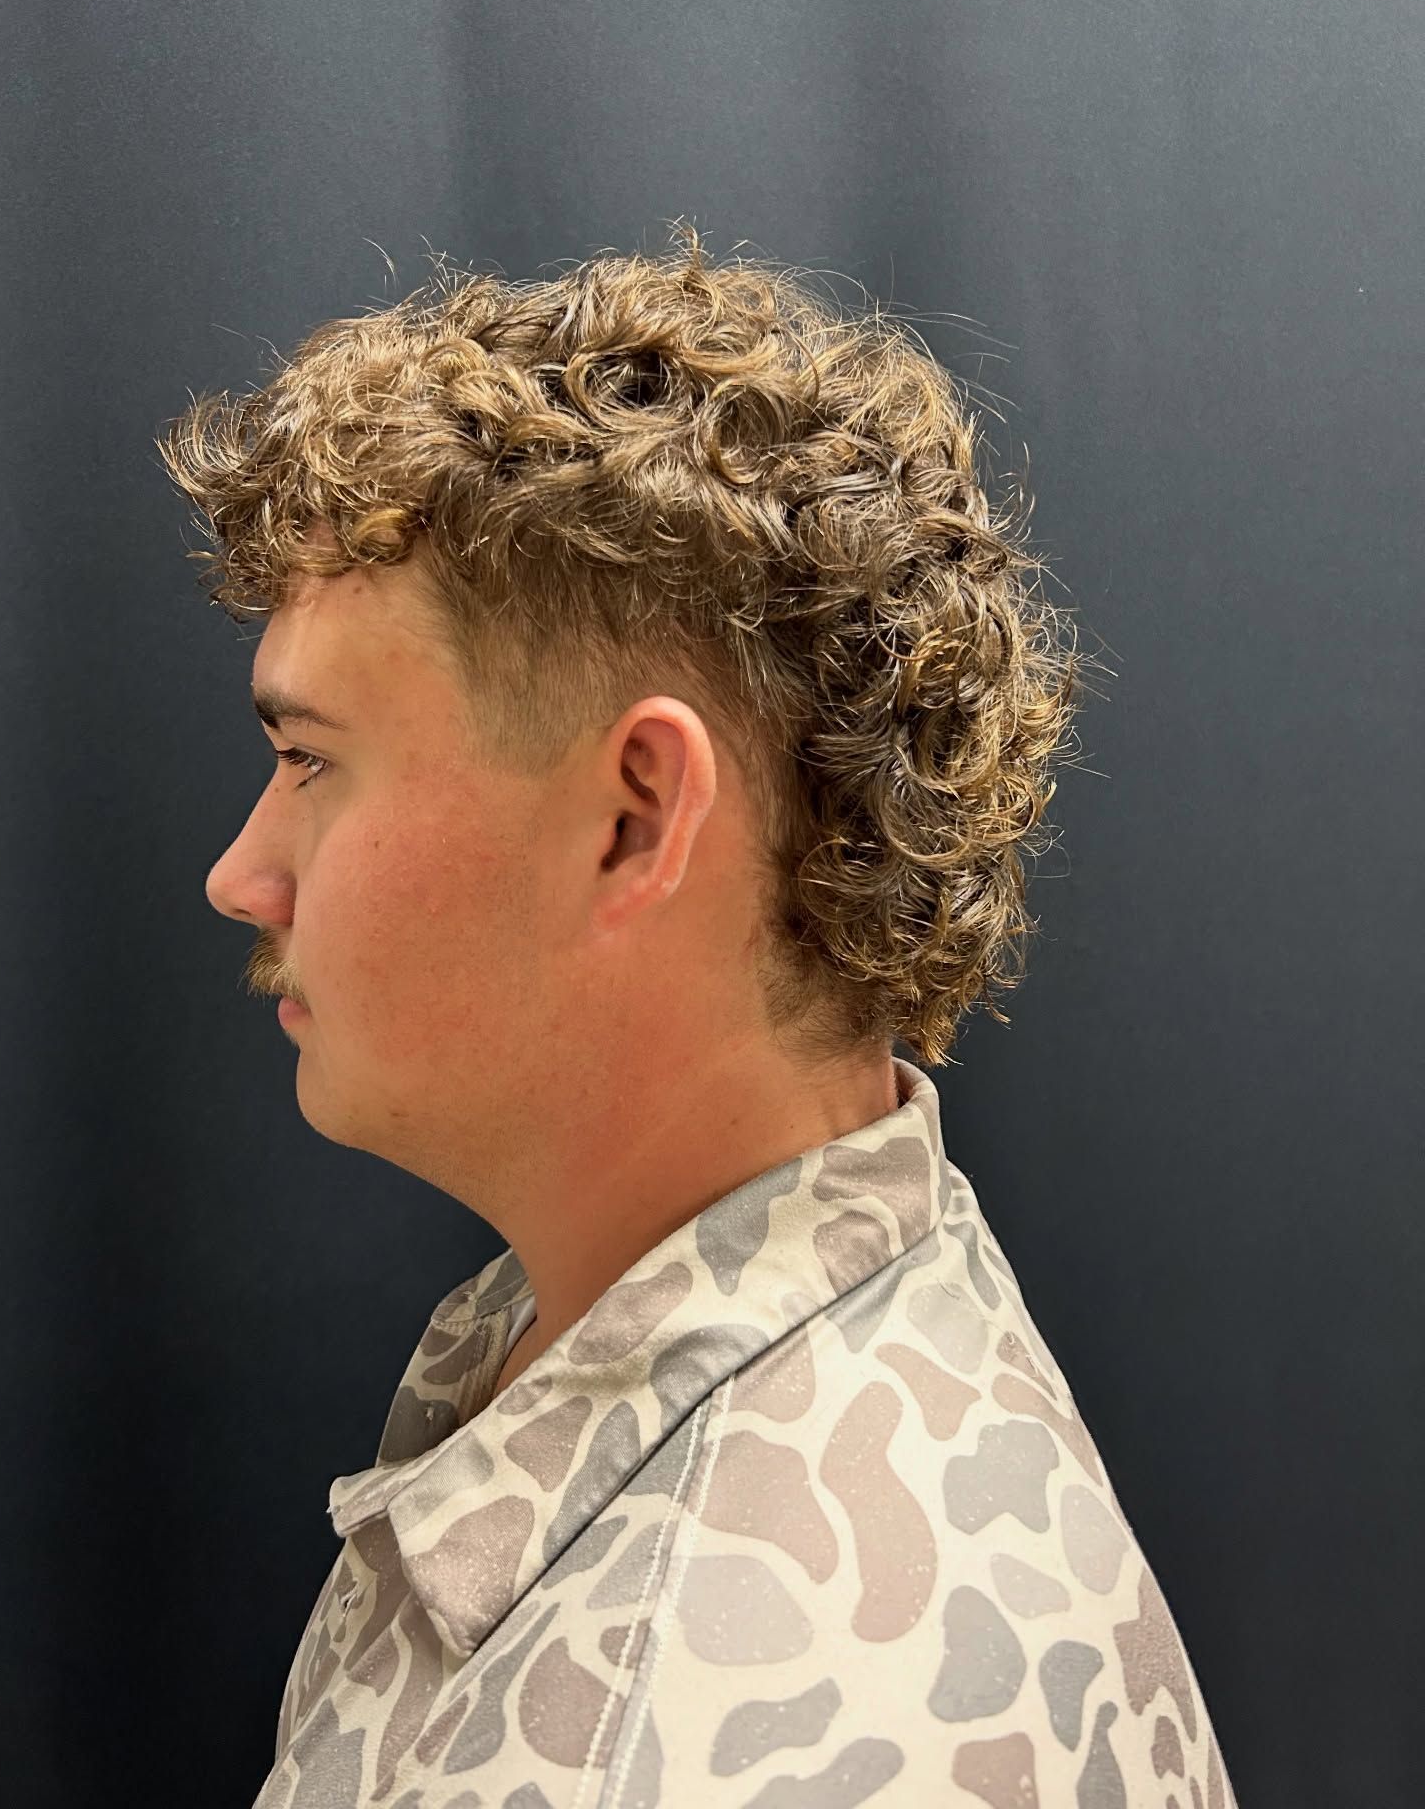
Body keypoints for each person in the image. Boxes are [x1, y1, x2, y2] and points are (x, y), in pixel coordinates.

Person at [160, 222, 1237, 1806]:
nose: (240, 876)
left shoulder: (688, 1737)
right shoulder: (736, 1324)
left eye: (310, 759)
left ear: (635, 818)